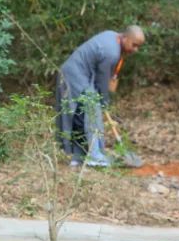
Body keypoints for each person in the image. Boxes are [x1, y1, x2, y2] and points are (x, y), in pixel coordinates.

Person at [55, 25, 145, 167]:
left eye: (138, 47)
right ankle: (94, 156)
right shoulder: (111, 51)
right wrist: (104, 102)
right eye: (134, 45)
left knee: (81, 115)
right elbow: (102, 83)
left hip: (82, 75)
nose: (135, 50)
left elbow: (103, 76)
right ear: (126, 37)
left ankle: (79, 157)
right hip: (74, 75)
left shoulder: (112, 36)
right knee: (91, 113)